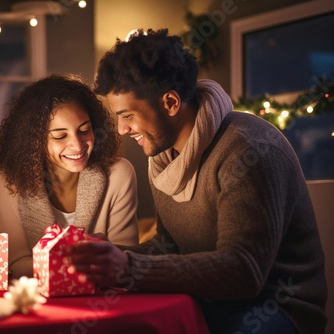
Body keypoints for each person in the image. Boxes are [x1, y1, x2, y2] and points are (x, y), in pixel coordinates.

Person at [67, 29, 327, 334]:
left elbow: (243, 271)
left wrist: (127, 268)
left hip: (274, 309)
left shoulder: (248, 150)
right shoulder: (165, 158)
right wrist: (110, 255)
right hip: (208, 302)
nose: (122, 129)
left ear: (171, 103)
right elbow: (170, 246)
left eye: (128, 116)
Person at [0, 73, 139, 279]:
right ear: (34, 142)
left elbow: (125, 259)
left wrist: (54, 262)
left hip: (99, 302)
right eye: (60, 136)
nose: (78, 146)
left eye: (84, 130)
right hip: (35, 304)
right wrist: (76, 259)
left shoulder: (119, 174)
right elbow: (12, 265)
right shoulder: (10, 178)